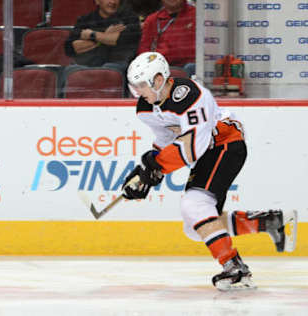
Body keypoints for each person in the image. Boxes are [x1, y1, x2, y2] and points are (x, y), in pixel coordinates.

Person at [122, 52, 297, 291]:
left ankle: (235, 269)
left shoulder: (191, 96)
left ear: (160, 79)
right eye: (135, 86)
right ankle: (269, 222)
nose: (138, 92)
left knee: (194, 206)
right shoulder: (145, 108)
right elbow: (165, 140)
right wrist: (145, 172)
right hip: (208, 151)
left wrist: (155, 168)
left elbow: (193, 148)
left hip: (226, 142)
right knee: (195, 226)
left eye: (142, 85)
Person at [64, 0, 141, 73]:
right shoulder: (85, 20)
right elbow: (73, 47)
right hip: (86, 64)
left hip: (117, 64)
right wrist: (105, 36)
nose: (113, 2)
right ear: (97, 1)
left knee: (110, 70)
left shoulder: (129, 19)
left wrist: (91, 35)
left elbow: (118, 40)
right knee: (69, 70)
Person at [137, 0, 195, 76]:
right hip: (158, 65)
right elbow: (143, 51)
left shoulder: (197, 15)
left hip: (187, 66)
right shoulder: (152, 19)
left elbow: (192, 50)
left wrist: (164, 53)